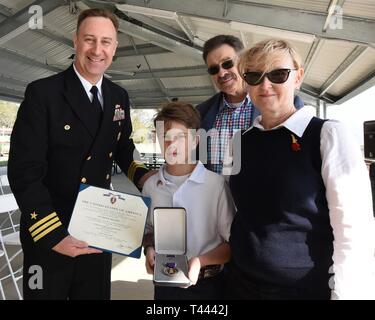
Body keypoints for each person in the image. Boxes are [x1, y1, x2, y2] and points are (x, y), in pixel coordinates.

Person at [7, 8, 153, 300]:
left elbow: (123, 147)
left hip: (99, 227)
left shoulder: (117, 96)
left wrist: (146, 178)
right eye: (89, 39)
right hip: (50, 230)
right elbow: (24, 171)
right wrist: (52, 235)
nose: (97, 50)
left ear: (115, 48)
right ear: (75, 41)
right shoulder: (43, 94)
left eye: (106, 42)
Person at [226, 39, 375, 299]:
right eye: (253, 76)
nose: (265, 84)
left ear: (298, 77)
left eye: (278, 74)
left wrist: (347, 294)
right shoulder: (240, 141)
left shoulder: (327, 134)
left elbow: (353, 227)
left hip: (304, 290)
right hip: (241, 285)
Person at [142, 101, 235, 299]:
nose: (171, 144)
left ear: (195, 141)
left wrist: (201, 261)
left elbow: (232, 243)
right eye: (165, 137)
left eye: (180, 137)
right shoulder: (151, 187)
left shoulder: (215, 186)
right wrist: (149, 249)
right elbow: (149, 230)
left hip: (208, 286)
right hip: (164, 284)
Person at [196, 35, 304, 174]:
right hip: (211, 195)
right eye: (214, 69)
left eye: (227, 63)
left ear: (243, 63)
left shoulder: (284, 105)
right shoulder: (201, 112)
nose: (221, 73)